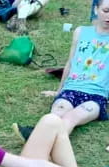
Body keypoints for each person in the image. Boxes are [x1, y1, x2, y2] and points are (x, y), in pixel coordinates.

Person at [13, 0, 109, 144]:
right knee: (55, 115)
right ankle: (40, 141)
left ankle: (35, 139)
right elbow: (70, 62)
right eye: (106, 11)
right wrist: (59, 91)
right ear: (96, 10)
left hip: (96, 96)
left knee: (71, 118)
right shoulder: (81, 32)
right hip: (71, 89)